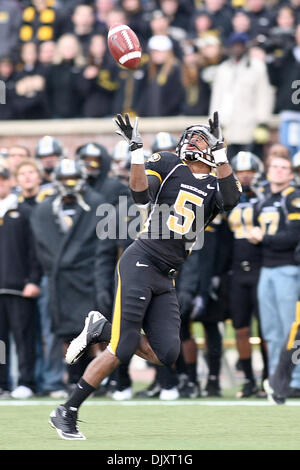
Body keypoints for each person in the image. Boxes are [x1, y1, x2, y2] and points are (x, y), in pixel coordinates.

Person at [49, 111, 241, 440]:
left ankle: (102, 327)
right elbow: (139, 193)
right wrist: (137, 149)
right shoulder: (168, 163)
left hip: (167, 275)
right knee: (122, 347)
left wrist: (221, 149)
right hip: (142, 260)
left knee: (167, 354)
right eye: (191, 136)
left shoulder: (217, 179)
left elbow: (232, 199)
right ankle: (67, 410)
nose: (195, 140)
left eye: (202, 137)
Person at [31, 158, 107, 389]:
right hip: (60, 280)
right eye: (64, 179)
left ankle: (101, 379)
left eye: (72, 178)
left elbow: (103, 244)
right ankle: (74, 379)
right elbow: (41, 246)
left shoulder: (96, 204)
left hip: (89, 277)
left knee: (95, 331)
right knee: (68, 334)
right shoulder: (45, 209)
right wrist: (57, 267)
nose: (69, 183)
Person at [248, 153, 300, 393]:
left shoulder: (294, 197)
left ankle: (295, 380)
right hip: (266, 270)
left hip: (287, 269)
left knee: (290, 327)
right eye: (275, 166)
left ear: (290, 174)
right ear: (268, 171)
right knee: (270, 329)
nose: (279, 171)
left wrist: (263, 238)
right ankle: (275, 380)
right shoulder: (263, 200)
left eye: (284, 168)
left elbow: (293, 236)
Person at [227, 151, 268, 397]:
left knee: (265, 329)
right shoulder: (228, 197)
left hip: (262, 268)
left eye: (249, 171)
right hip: (236, 270)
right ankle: (249, 379)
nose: (245, 175)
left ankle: (267, 377)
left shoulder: (265, 197)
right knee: (241, 328)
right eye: (241, 171)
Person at [0, 164, 41, 398]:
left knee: (24, 338)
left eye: (3, 179)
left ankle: (27, 381)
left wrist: (33, 280)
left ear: (10, 181)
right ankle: (2, 383)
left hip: (20, 287)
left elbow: (35, 250)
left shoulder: (24, 211)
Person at [210, 32, 274, 160]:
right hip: (227, 127)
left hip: (250, 126)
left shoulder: (257, 67)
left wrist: (262, 122)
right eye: (234, 45)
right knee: (229, 167)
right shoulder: (223, 69)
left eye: (240, 45)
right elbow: (217, 98)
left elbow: (264, 95)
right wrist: (214, 125)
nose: (237, 48)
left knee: (251, 163)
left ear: (246, 47)